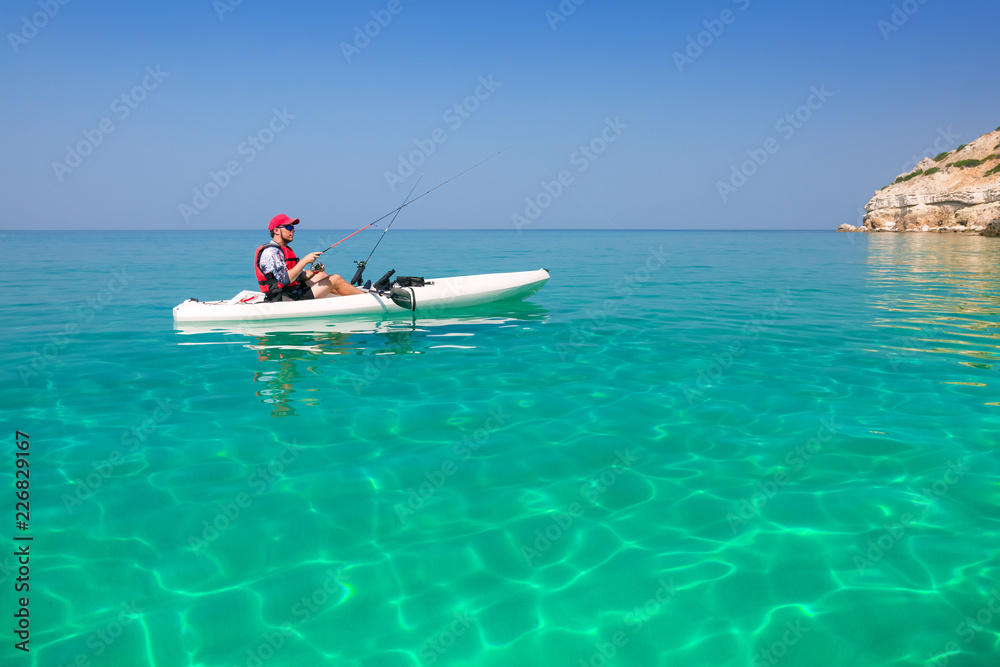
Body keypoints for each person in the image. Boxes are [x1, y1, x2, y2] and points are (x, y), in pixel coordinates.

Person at [253, 214, 364, 301]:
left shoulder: (283, 249)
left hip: (290, 291)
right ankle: (365, 298)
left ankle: (348, 296)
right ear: (276, 230)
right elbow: (285, 280)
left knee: (321, 275)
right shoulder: (271, 252)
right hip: (283, 297)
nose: (293, 230)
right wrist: (304, 261)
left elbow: (297, 277)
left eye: (293, 227)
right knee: (335, 279)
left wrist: (313, 271)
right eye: (288, 227)